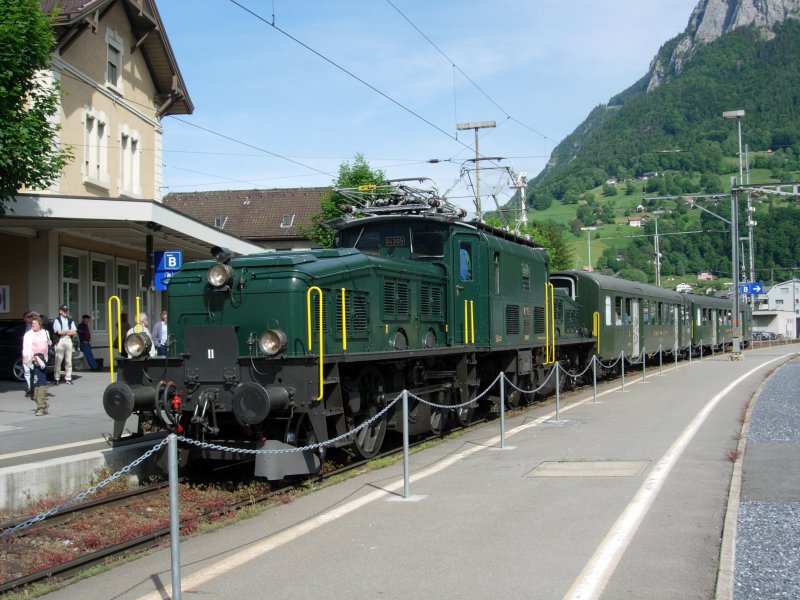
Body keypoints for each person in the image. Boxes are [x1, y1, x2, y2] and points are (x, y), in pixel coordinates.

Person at [22, 315, 51, 415]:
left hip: (42, 362)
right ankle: (42, 404)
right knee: (34, 388)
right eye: (32, 324)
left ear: (40, 324)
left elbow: (48, 344)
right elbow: (25, 348)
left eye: (35, 324)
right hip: (32, 362)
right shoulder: (28, 335)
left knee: (41, 383)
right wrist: (26, 358)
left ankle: (41, 408)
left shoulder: (45, 333)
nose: (33, 325)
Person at [52, 304, 77, 385]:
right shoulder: (57, 320)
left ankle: (68, 378)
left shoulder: (70, 320)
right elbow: (59, 332)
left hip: (68, 340)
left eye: (66, 311)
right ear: (60, 311)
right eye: (64, 310)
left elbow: (74, 331)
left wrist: (65, 331)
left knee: (68, 360)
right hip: (60, 340)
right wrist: (69, 331)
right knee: (58, 360)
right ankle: (56, 378)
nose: (65, 312)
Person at [22, 310, 37, 396]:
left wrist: (35, 313)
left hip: (35, 352)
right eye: (29, 317)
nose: (31, 318)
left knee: (34, 372)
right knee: (27, 371)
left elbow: (45, 320)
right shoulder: (24, 327)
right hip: (26, 351)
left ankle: (34, 388)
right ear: (24, 319)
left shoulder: (37, 326)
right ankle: (30, 387)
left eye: (32, 316)